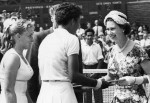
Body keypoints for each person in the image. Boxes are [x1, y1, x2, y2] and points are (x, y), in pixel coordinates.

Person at [37, 2, 110, 103]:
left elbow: (44, 77)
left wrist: (77, 87)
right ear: (72, 21)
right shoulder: (72, 38)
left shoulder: (46, 40)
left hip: (44, 95)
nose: (78, 26)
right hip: (63, 95)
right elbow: (73, 75)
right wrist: (98, 83)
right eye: (79, 22)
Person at [103, 10, 150, 103]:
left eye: (112, 29)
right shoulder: (111, 51)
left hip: (137, 99)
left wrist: (134, 80)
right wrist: (95, 82)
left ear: (123, 28)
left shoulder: (137, 49)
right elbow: (110, 76)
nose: (109, 32)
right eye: (107, 29)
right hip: (117, 99)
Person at [26, 4, 60, 102]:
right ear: (51, 18)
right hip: (44, 94)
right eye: (57, 17)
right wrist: (34, 99)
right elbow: (32, 70)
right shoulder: (40, 37)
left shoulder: (72, 38)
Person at [0, 19, 34, 103]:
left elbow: (24, 89)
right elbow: (8, 90)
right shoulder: (13, 57)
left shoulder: (20, 55)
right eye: (29, 36)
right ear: (18, 36)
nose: (32, 39)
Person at [81, 28, 104, 103]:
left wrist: (96, 73)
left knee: (98, 95)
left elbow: (100, 60)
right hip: (85, 70)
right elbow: (80, 61)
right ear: (85, 36)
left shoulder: (97, 46)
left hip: (96, 69)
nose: (89, 37)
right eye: (88, 35)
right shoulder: (82, 47)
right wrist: (85, 72)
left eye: (91, 35)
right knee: (87, 96)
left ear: (93, 36)